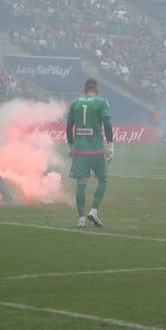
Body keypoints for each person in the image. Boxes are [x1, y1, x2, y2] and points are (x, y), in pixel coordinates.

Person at [66, 78, 114, 228]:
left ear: (85, 89)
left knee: (81, 182)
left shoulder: (75, 102)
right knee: (103, 179)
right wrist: (110, 144)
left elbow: (68, 127)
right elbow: (107, 124)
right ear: (96, 89)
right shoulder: (101, 102)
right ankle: (93, 210)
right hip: (96, 149)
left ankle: (81, 219)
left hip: (80, 150)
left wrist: (71, 146)